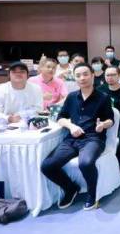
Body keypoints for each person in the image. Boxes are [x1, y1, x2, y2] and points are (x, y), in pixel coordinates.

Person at [41, 63, 114, 211]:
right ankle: (70, 188)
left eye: (85, 74)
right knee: (47, 166)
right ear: (74, 78)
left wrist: (103, 125)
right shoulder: (71, 97)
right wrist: (71, 126)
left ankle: (92, 194)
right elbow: (60, 117)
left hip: (94, 138)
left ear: (92, 75)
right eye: (78, 75)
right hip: (72, 139)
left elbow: (110, 120)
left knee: (85, 163)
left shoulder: (103, 97)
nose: (82, 78)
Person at [0, 61, 42, 128]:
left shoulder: (36, 89)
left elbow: (38, 109)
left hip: (29, 125)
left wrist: (21, 115)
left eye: (22, 72)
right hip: (3, 125)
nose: (18, 74)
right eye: (14, 72)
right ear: (9, 75)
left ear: (27, 75)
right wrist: (8, 118)